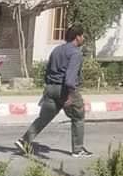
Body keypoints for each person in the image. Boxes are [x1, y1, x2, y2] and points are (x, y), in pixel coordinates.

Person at [15, 25, 91, 157]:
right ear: (77, 37)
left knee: (44, 118)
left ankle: (24, 140)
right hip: (65, 90)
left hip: (51, 88)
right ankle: (78, 150)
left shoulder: (57, 50)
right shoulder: (75, 53)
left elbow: (47, 70)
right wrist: (70, 96)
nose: (83, 38)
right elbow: (70, 79)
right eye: (82, 35)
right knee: (78, 117)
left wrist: (49, 87)